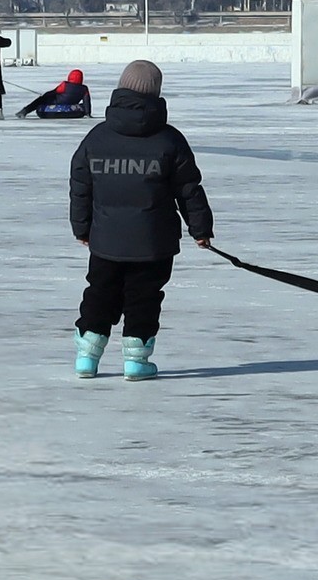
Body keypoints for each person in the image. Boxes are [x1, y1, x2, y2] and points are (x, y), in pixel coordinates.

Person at [68, 59, 214, 380]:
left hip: (105, 240)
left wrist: (81, 227)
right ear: (156, 94)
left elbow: (80, 185)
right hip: (153, 244)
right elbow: (189, 189)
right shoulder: (170, 140)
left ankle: (87, 357)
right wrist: (200, 230)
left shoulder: (97, 138)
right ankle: (136, 361)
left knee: (100, 293)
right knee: (143, 299)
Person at [14, 69, 92, 119]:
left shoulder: (65, 85)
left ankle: (25, 111)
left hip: (56, 103)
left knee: (40, 100)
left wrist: (44, 96)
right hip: (71, 108)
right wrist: (88, 113)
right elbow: (86, 101)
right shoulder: (84, 88)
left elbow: (54, 92)